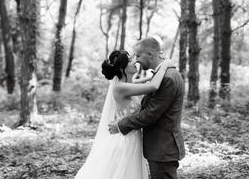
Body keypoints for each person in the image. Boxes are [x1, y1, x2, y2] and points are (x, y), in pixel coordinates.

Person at [75, 49, 172, 179]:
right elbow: (153, 86)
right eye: (130, 61)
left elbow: (151, 79)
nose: (135, 61)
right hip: (125, 140)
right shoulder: (120, 87)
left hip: (133, 136)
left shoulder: (131, 83)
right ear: (122, 69)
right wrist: (165, 65)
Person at [109, 37, 185, 179]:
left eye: (138, 55)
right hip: (157, 146)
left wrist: (121, 124)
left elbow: (150, 114)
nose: (136, 60)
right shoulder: (163, 74)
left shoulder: (167, 77)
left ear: (150, 54)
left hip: (163, 147)